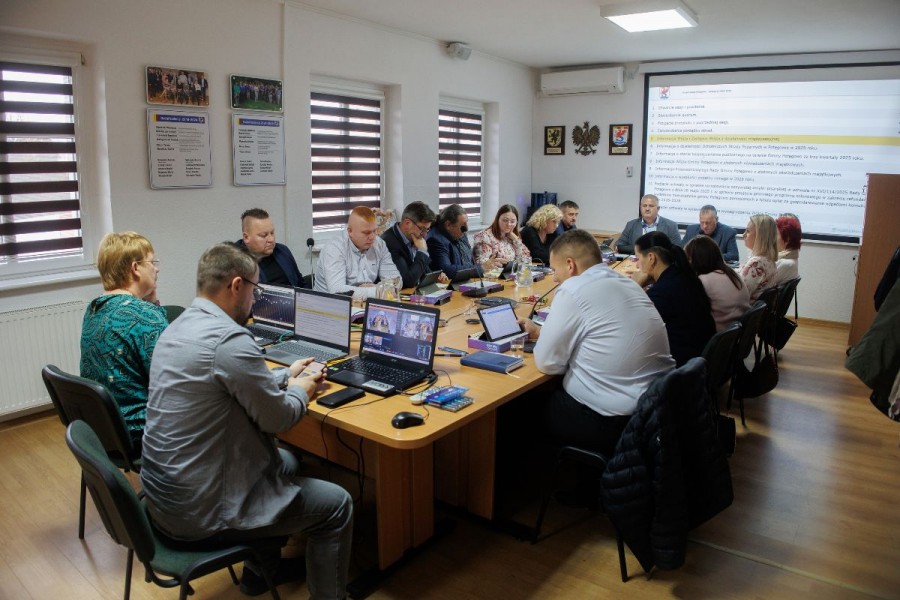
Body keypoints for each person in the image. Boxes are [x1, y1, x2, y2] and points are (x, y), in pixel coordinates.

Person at [141, 243, 352, 599]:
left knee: (284, 461)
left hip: (165, 499)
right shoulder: (229, 339)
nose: (256, 299)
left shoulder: (177, 327)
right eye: (256, 290)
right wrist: (301, 390)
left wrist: (285, 376)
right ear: (237, 286)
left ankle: (260, 572)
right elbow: (279, 419)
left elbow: (226, 385)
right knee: (338, 504)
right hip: (202, 514)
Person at [518, 229, 675, 458]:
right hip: (654, 412)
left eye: (554, 270)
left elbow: (547, 363)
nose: (554, 278)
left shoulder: (573, 289)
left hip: (610, 420)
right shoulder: (626, 282)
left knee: (517, 407)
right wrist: (542, 332)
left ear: (570, 265)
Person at [80, 232, 168, 446]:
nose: (157, 269)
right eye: (152, 262)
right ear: (135, 268)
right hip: (140, 430)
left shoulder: (94, 308)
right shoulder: (143, 316)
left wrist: (152, 304)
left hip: (103, 427)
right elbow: (173, 382)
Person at [634, 231, 716, 367]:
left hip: (682, 367)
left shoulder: (661, 293)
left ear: (651, 258)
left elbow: (633, 327)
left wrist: (635, 285)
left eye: (637, 258)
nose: (637, 265)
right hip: (699, 357)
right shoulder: (683, 276)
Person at [314, 206, 402, 298]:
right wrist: (377, 291)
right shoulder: (334, 248)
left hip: (363, 304)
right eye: (366, 233)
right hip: (328, 304)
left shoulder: (379, 244)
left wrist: (376, 288)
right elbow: (337, 291)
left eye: (374, 231)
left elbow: (397, 281)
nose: (372, 237)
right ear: (350, 231)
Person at [684, 235, 751, 330]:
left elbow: (690, 313)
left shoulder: (703, 281)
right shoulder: (733, 274)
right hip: (738, 331)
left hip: (720, 334)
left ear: (696, 260)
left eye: (688, 259)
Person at [381, 201, 448, 288]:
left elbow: (423, 271)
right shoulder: (389, 243)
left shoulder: (414, 238)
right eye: (422, 229)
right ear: (407, 223)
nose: (425, 235)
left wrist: (435, 276)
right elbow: (408, 281)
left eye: (427, 229)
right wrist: (422, 251)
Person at [236, 208, 306, 287]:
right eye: (264, 235)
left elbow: (301, 284)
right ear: (246, 237)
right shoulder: (236, 263)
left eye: (272, 233)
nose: (271, 239)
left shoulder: (282, 251)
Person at [426, 204, 483, 281]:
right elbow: (447, 271)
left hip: (468, 281)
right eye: (463, 225)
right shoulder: (435, 240)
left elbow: (470, 261)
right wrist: (480, 269)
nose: (466, 229)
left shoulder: (461, 233)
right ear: (448, 225)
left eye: (466, 223)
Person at [614, 194, 682, 255]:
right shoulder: (631, 225)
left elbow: (678, 249)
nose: (647, 209)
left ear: (658, 209)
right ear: (640, 208)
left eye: (651, 206)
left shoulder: (671, 225)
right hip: (636, 262)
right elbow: (618, 245)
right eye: (644, 206)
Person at [472, 204, 531, 270]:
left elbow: (526, 260)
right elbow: (482, 264)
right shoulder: (484, 237)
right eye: (505, 220)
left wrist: (516, 240)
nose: (509, 224)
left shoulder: (511, 237)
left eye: (512, 221)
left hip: (510, 273)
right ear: (497, 219)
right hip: (492, 274)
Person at [740, 214, 778, 303]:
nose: (743, 235)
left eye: (748, 231)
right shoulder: (768, 259)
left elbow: (737, 295)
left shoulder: (756, 263)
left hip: (744, 310)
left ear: (760, 236)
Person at [774, 214, 802, 286]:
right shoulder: (792, 258)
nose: (772, 238)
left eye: (775, 234)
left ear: (787, 238)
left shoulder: (785, 263)